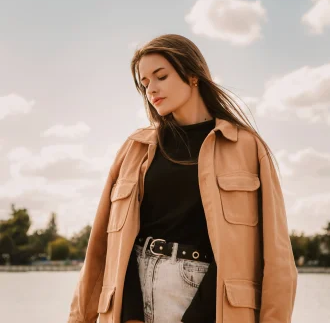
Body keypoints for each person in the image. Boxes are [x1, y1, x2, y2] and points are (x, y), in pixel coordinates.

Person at [67, 34, 298, 323]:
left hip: (213, 302)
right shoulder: (134, 148)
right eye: (145, 83)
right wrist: (126, 312)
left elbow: (276, 257)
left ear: (192, 76)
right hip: (135, 295)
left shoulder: (247, 148)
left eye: (160, 76)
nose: (151, 89)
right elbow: (103, 246)